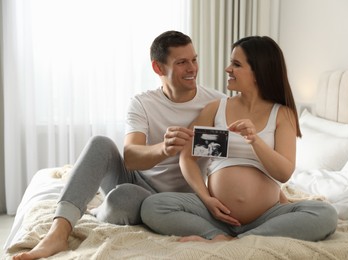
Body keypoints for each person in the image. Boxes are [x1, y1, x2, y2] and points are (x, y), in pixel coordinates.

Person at [12, 30, 226, 260]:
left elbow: (225, 157)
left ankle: (98, 212)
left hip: (176, 199)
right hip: (139, 181)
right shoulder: (143, 103)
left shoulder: (216, 103)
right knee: (100, 144)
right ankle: (57, 233)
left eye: (194, 59)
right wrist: (163, 148)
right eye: (182, 62)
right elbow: (131, 157)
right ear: (158, 68)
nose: (192, 68)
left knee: (122, 200)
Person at [141, 36, 338, 242]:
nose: (228, 69)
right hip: (214, 214)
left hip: (266, 216)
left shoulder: (281, 114)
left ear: (258, 72)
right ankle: (216, 234)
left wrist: (255, 140)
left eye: (236, 64)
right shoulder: (217, 109)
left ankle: (238, 239)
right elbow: (187, 157)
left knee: (326, 214)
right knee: (153, 206)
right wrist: (206, 199)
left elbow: (284, 173)